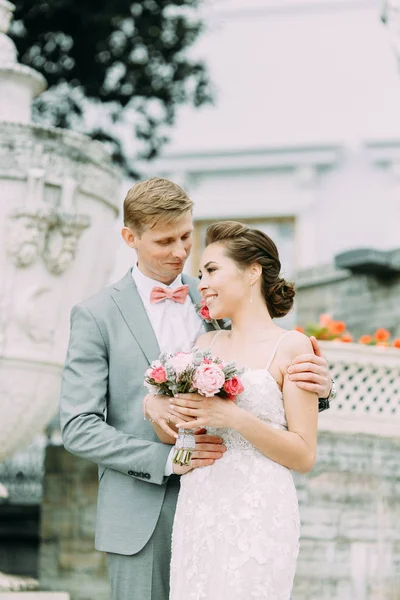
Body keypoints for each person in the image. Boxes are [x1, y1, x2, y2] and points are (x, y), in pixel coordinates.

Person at [60, 178, 333, 600]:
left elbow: (259, 377)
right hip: (141, 512)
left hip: (234, 505)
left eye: (186, 236)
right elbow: (77, 426)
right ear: (130, 238)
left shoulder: (215, 294)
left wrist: (320, 388)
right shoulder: (95, 315)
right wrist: (168, 456)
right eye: (164, 241)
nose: (179, 252)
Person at [153, 221, 319, 599]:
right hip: (199, 505)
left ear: (252, 272)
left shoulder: (292, 347)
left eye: (211, 270)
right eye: (199, 274)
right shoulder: (202, 344)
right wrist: (159, 408)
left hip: (259, 511)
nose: (202, 283)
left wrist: (236, 419)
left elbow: (304, 454)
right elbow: (180, 435)